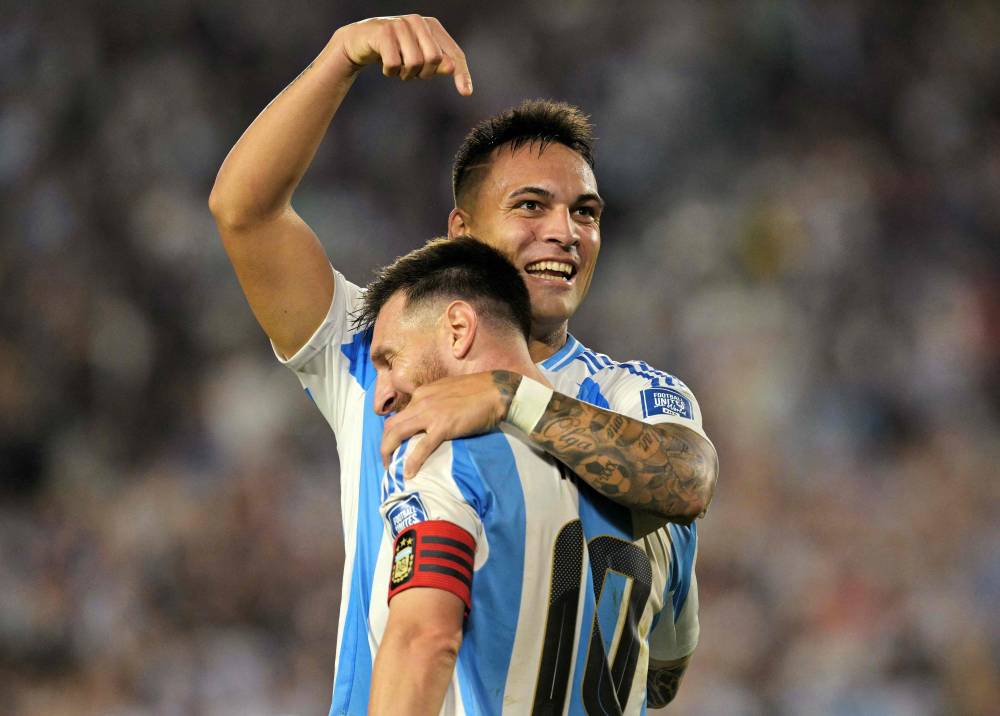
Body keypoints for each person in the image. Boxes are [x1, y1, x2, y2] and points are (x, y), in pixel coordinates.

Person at [208, 14, 718, 713]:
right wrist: (339, 57)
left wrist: (509, 394)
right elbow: (245, 213)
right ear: (462, 232)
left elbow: (690, 478)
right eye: (531, 205)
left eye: (586, 212)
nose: (565, 233)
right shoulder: (381, 357)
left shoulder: (633, 395)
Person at [357, 237, 699, 715]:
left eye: (389, 360)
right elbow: (663, 677)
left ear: (458, 329)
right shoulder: (658, 502)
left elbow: (426, 639)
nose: (381, 398)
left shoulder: (443, 460)